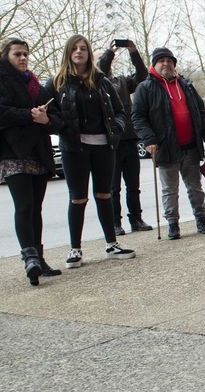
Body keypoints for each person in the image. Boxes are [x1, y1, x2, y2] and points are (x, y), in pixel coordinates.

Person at [0, 37, 63, 285]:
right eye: (17, 54)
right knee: (24, 206)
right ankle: (30, 258)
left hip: (38, 152)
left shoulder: (35, 83)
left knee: (36, 208)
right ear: (6, 57)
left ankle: (39, 256)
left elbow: (57, 117)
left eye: (26, 53)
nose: (23, 58)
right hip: (13, 153)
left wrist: (46, 120)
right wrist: (28, 115)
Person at [44, 34, 135, 269]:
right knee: (78, 198)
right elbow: (51, 116)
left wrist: (117, 127)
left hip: (104, 147)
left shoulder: (101, 81)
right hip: (74, 148)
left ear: (89, 52)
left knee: (104, 195)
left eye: (83, 48)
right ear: (68, 53)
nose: (79, 52)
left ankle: (111, 244)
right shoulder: (57, 82)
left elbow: (120, 110)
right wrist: (60, 126)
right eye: (74, 48)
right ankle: (75, 249)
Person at [132, 47, 205, 239]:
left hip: (190, 146)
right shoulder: (145, 88)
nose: (166, 64)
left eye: (170, 61)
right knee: (170, 190)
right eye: (161, 60)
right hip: (165, 147)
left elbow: (200, 112)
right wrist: (149, 139)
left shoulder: (186, 85)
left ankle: (201, 219)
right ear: (154, 64)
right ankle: (172, 224)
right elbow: (137, 117)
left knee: (195, 187)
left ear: (174, 64)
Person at [97, 39, 152, 236]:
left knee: (133, 185)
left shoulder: (121, 82)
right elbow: (100, 70)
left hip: (129, 139)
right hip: (111, 142)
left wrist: (134, 52)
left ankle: (136, 219)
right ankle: (115, 223)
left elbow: (142, 76)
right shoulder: (99, 83)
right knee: (113, 187)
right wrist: (109, 53)